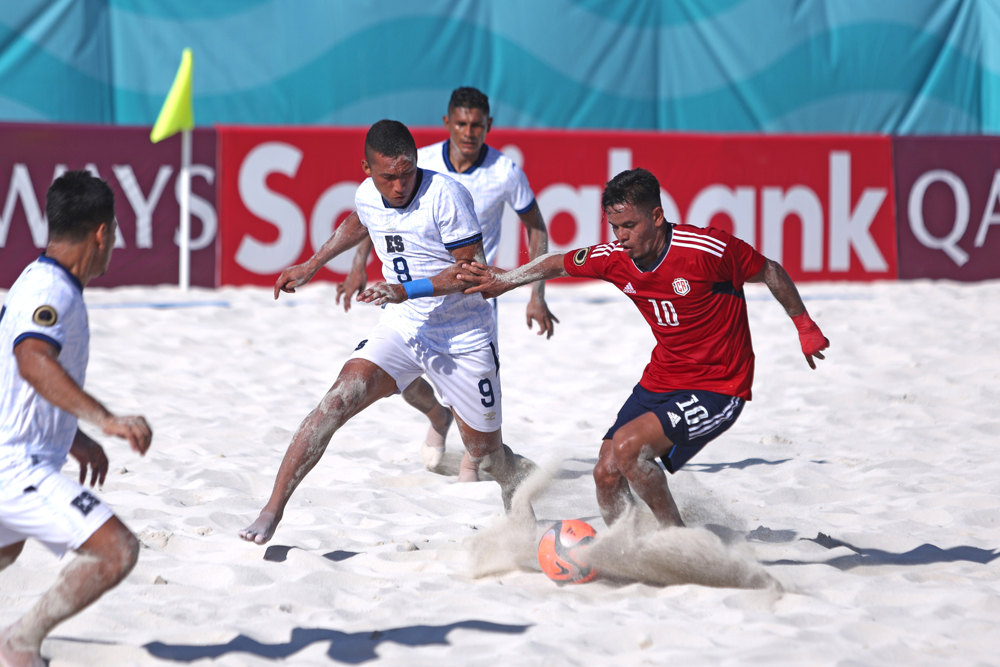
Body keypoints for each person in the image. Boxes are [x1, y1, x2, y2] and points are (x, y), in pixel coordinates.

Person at [456, 168, 829, 529]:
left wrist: (804, 325)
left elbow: (770, 270)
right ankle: (628, 548)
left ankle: (678, 544)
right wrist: (505, 281)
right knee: (604, 473)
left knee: (629, 448)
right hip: (662, 378)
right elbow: (557, 263)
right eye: (614, 227)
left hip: (718, 385)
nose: (620, 236)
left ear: (657, 216)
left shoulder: (706, 250)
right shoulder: (616, 257)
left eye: (629, 226)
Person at [240, 120, 536, 546]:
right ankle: (272, 510)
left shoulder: (447, 196)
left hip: (463, 333)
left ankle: (525, 498)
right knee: (337, 399)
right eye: (388, 177)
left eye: (407, 173)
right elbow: (359, 220)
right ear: (366, 169)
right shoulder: (367, 194)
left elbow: (471, 272)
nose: (399, 185)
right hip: (404, 323)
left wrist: (403, 289)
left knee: (488, 459)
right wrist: (311, 264)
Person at [284, 87, 556, 483]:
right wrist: (356, 266)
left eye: (476, 125)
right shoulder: (414, 163)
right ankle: (436, 415)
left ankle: (487, 463)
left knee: (479, 458)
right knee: (400, 383)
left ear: (488, 127)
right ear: (447, 123)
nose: (468, 132)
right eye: (461, 123)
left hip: (466, 297)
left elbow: (534, 227)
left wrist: (537, 293)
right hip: (408, 306)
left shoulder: (504, 173)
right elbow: (373, 218)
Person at [0, 171, 153, 667]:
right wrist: (105, 419)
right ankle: (19, 646)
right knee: (117, 551)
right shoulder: (55, 292)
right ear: (102, 232)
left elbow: (18, 377)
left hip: (18, 455)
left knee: (6, 551)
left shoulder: (38, 277)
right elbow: (31, 360)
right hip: (16, 468)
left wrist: (73, 436)